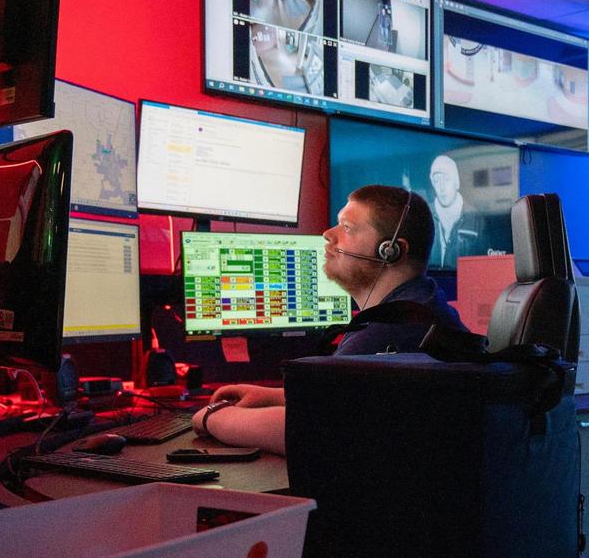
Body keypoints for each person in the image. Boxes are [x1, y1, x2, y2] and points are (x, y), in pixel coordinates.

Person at [191, 185, 467, 455]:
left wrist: (215, 416)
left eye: (347, 227)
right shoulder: (423, 302)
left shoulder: (388, 332)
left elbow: (310, 428)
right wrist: (275, 395)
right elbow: (359, 399)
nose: (327, 234)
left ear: (390, 250)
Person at [428, 154, 483, 269]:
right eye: (437, 181)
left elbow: (485, 263)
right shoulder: (424, 214)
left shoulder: (475, 217)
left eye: (447, 179)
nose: (442, 187)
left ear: (456, 182)